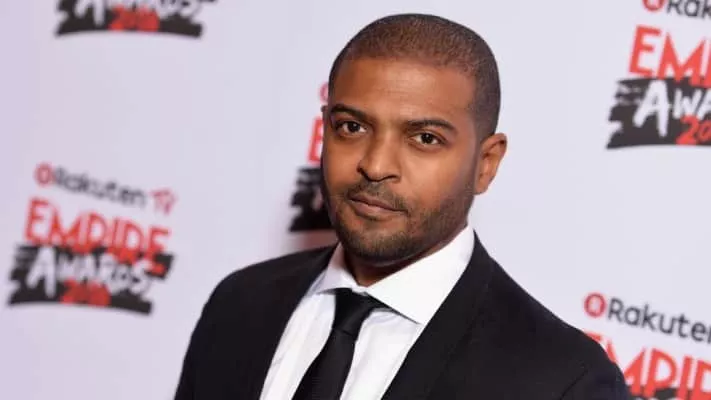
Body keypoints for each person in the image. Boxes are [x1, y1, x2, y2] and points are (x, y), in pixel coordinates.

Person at [174, 13, 632, 400]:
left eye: (425, 138)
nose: (375, 165)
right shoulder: (240, 304)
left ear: (486, 164)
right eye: (352, 127)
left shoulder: (563, 382)